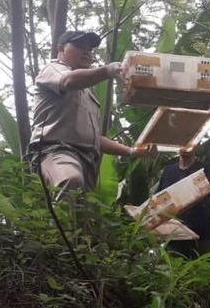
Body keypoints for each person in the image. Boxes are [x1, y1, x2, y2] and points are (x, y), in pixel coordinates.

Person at [28, 30, 155, 199]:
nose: (86, 51)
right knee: (70, 181)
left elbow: (94, 138)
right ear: (60, 49)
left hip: (86, 161)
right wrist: (108, 71)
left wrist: (131, 151)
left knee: (83, 215)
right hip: (55, 151)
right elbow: (68, 80)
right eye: (79, 46)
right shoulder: (53, 69)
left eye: (89, 49)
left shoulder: (89, 92)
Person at [157, 147, 210, 258]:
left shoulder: (205, 168)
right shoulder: (168, 170)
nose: (185, 147)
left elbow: (201, 193)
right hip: (174, 234)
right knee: (175, 270)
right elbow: (160, 199)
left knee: (202, 270)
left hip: (200, 233)